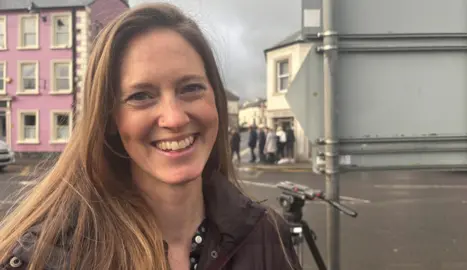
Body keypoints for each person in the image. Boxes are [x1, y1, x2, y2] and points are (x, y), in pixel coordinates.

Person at [0, 4, 300, 270]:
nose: (174, 118)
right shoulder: (50, 257)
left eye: (191, 88)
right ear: (109, 119)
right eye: (141, 95)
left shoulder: (266, 235)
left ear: (216, 98)